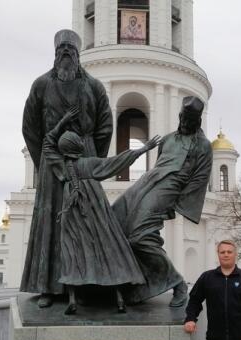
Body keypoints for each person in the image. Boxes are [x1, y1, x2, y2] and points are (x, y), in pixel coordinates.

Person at [20, 29, 113, 308]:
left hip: (83, 157)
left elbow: (105, 126)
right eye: (61, 50)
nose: (66, 54)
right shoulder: (40, 85)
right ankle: (48, 287)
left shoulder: (94, 86)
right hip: (51, 162)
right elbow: (30, 127)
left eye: (70, 50)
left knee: (86, 221)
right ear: (55, 54)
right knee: (51, 223)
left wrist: (91, 156)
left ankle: (85, 284)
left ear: (78, 54)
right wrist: (45, 160)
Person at [41, 110, 161, 314]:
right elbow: (117, 162)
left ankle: (72, 299)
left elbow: (47, 144)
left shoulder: (62, 166)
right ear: (79, 146)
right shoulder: (91, 164)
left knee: (72, 253)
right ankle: (119, 298)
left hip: (73, 213)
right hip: (97, 212)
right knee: (109, 249)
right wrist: (144, 149)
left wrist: (62, 122)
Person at [112, 96, 212, 307]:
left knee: (139, 238)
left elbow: (200, 178)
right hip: (147, 183)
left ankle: (177, 283)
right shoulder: (168, 139)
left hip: (170, 189)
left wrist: (178, 202)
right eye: (183, 119)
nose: (185, 124)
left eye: (189, 122)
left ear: (197, 122)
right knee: (113, 222)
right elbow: (159, 164)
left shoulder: (203, 145)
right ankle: (129, 283)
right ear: (179, 116)